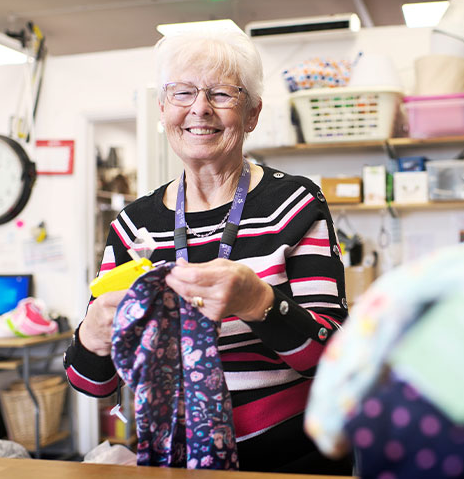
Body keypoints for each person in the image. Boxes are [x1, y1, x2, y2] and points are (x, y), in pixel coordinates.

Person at [63, 27, 351, 474]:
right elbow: (92, 384)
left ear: (252, 113)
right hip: (173, 462)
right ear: (162, 109)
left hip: (291, 461)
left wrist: (259, 303)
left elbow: (337, 357)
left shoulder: (294, 204)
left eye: (221, 93)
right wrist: (95, 333)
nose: (199, 108)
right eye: (182, 92)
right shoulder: (133, 226)